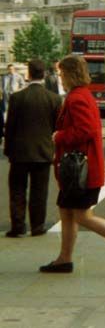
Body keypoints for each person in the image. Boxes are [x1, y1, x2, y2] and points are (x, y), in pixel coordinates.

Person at [40, 55, 105, 274]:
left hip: (80, 171)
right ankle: (64, 259)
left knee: (82, 216)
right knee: (66, 212)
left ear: (69, 74)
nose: (60, 78)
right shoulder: (81, 95)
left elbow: (85, 131)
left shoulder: (77, 98)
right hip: (78, 170)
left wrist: (59, 136)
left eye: (61, 74)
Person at [4, 59, 62, 238]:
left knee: (17, 190)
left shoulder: (16, 97)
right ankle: (37, 226)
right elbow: (56, 127)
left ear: (28, 74)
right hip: (43, 151)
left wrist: (8, 150)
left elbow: (10, 127)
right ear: (43, 74)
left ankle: (18, 226)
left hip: (19, 152)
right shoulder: (53, 98)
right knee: (39, 191)